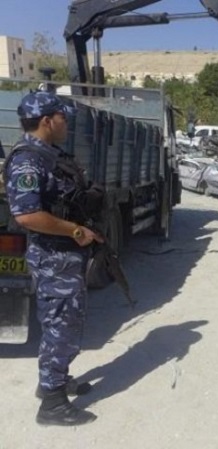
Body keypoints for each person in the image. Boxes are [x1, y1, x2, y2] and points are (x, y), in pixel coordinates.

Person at [4, 91, 103, 426]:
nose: (66, 123)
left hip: (62, 256)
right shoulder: (28, 160)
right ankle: (53, 404)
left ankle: (53, 381)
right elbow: (27, 215)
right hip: (54, 257)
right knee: (62, 325)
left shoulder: (48, 155)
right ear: (47, 121)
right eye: (63, 118)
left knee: (59, 323)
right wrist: (75, 231)